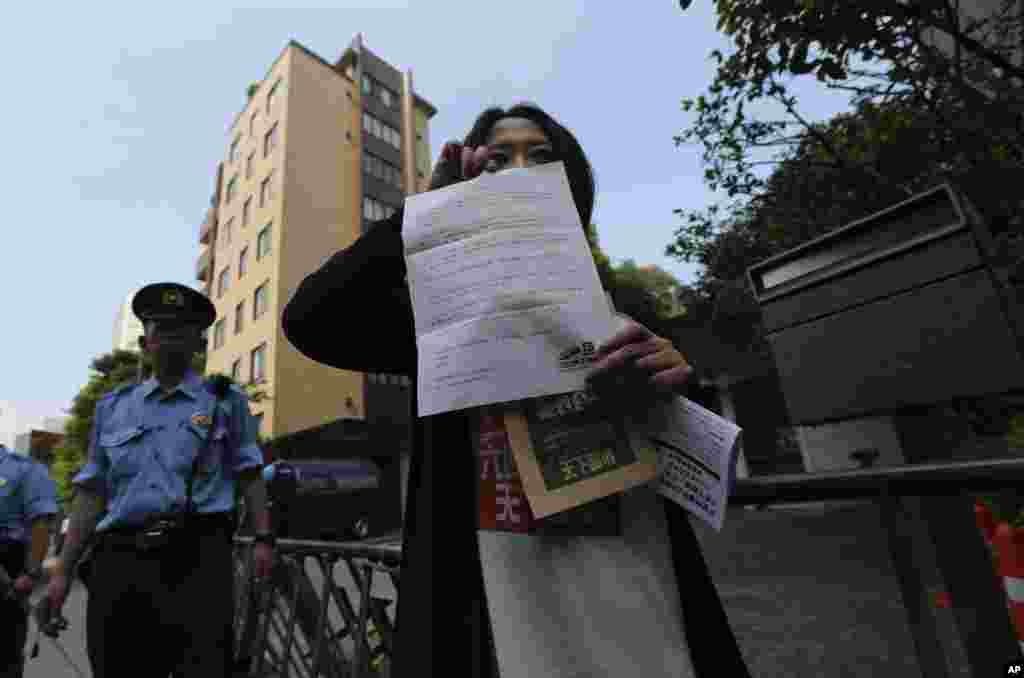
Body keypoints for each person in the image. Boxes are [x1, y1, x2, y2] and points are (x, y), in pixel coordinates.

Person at [282, 103, 752, 677]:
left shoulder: (626, 313)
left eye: (541, 156)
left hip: (641, 597)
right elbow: (312, 319)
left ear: (573, 189)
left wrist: (677, 382)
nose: (519, 170)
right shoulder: (437, 328)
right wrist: (428, 215)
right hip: (505, 620)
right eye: (497, 160)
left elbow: (692, 467)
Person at [43, 282, 276, 677]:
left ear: (197, 342)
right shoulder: (113, 407)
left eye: (180, 328)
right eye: (159, 328)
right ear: (146, 340)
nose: (168, 337)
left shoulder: (224, 401)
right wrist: (63, 571)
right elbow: (91, 493)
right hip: (120, 564)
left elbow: (250, 471)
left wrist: (263, 539)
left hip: (198, 559)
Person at [0, 445, 57, 678]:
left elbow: (41, 523)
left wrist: (30, 574)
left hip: (8, 567)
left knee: (5, 658)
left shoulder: (26, 469)